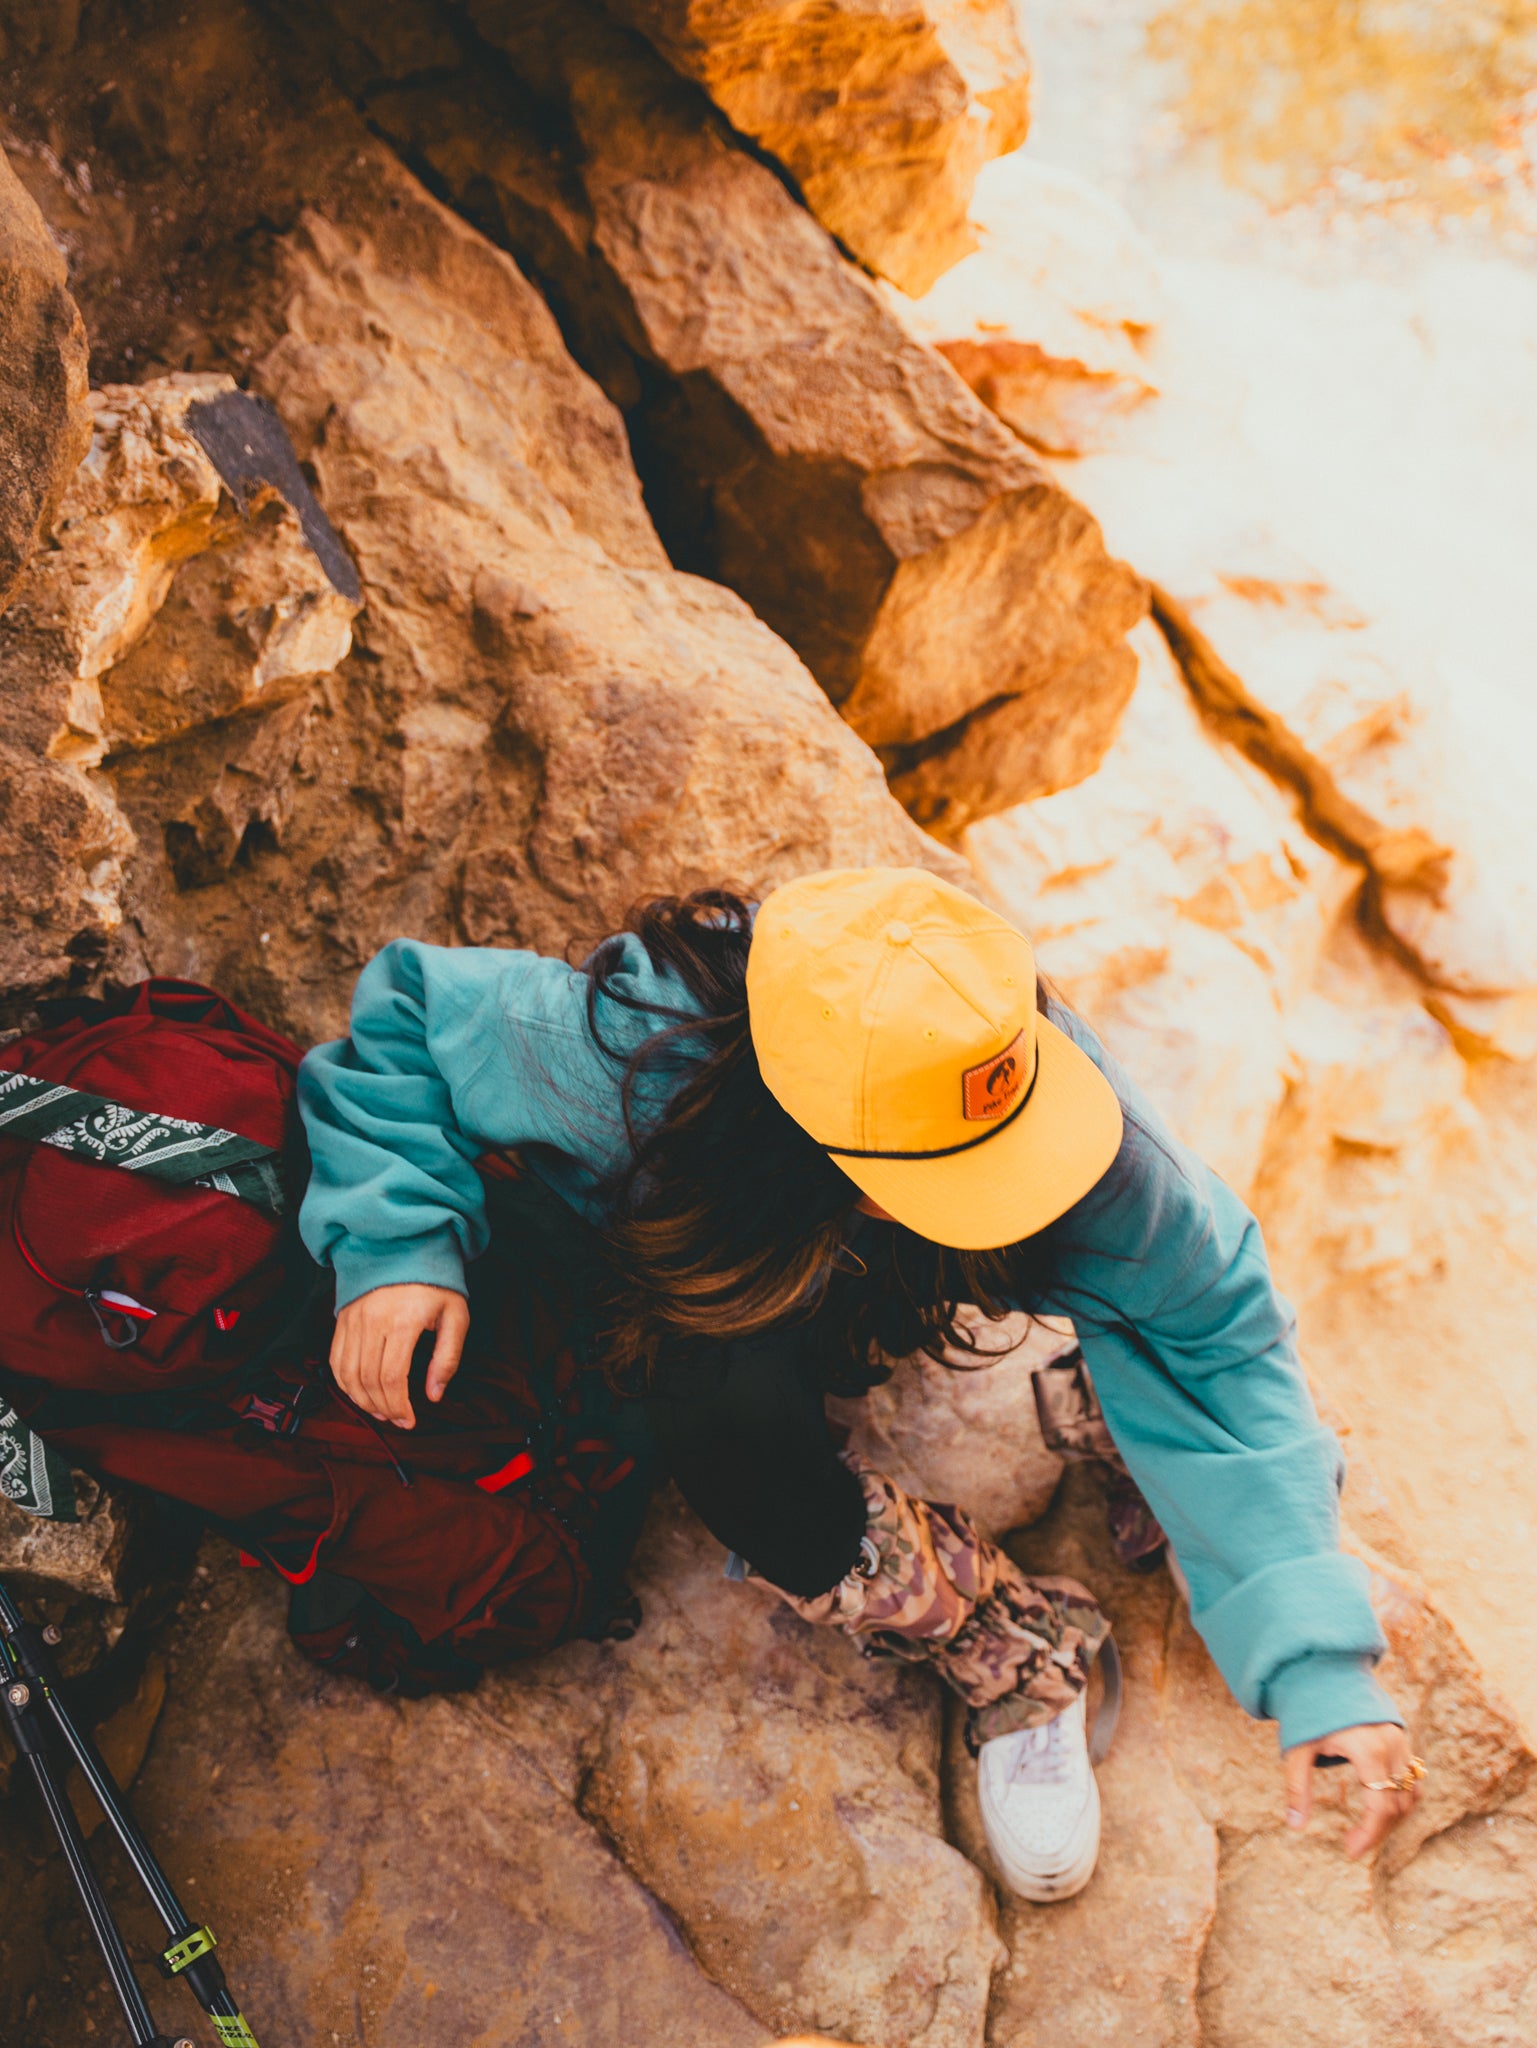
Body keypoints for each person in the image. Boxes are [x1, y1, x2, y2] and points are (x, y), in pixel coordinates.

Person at [298, 867, 1424, 1900]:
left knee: (1154, 1324)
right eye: (961, 1174)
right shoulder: (631, 1055)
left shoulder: (1052, 1105)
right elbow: (404, 1023)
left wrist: (1317, 1661)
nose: (1016, 1193)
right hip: (715, 1271)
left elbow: (1218, 1328)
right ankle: (997, 1634)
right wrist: (395, 1241)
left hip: (869, 1262)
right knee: (726, 1432)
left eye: (1015, 1146)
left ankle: (1136, 1422)